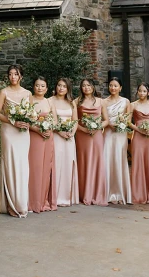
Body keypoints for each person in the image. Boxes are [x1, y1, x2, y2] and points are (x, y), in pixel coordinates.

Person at [0, 64, 31, 218]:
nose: (13, 77)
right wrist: (13, 122)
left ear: (21, 76)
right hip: (9, 132)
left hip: (23, 133)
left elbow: (31, 113)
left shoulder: (28, 93)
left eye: (16, 74)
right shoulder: (3, 92)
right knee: (10, 164)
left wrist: (27, 121)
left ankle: (21, 203)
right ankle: (11, 203)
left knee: (22, 165)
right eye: (10, 74)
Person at [75, 78, 107, 206]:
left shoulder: (101, 101)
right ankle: (84, 193)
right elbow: (74, 121)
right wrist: (84, 129)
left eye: (88, 85)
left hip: (97, 134)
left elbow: (106, 120)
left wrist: (97, 127)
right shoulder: (77, 101)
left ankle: (97, 193)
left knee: (97, 161)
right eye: (83, 85)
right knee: (84, 161)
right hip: (82, 135)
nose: (86, 87)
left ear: (93, 87)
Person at [28, 76, 57, 213]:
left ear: (46, 88)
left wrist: (48, 128)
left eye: (42, 86)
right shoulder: (29, 100)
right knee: (34, 167)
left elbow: (55, 120)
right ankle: (32, 201)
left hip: (47, 137)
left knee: (45, 168)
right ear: (33, 87)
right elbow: (26, 120)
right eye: (37, 85)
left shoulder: (49, 102)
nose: (39, 88)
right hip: (34, 136)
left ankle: (42, 200)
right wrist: (38, 129)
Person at [50, 77, 79, 207]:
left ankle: (66, 196)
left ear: (68, 89)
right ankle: (55, 196)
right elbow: (51, 121)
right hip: (56, 136)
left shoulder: (71, 102)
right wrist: (59, 132)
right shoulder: (50, 101)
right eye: (59, 85)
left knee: (68, 163)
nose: (61, 88)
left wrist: (72, 133)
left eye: (64, 86)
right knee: (57, 163)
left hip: (69, 138)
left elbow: (75, 120)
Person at [102, 76, 132, 204]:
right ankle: (108, 193)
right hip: (108, 133)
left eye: (115, 85)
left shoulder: (126, 101)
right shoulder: (104, 102)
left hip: (121, 134)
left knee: (119, 159)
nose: (113, 88)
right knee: (107, 159)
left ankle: (120, 193)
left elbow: (129, 119)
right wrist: (109, 125)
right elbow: (103, 119)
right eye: (111, 85)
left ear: (120, 88)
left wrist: (122, 124)